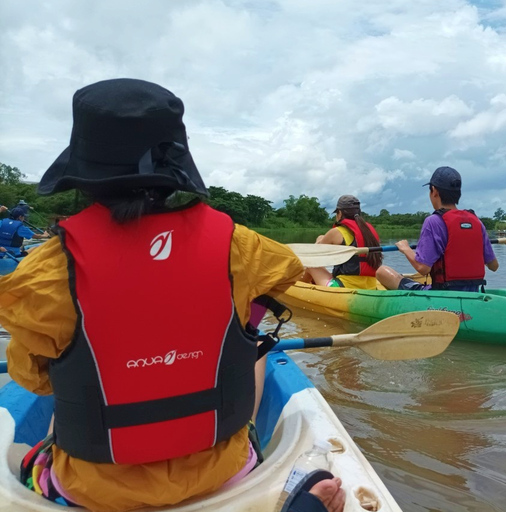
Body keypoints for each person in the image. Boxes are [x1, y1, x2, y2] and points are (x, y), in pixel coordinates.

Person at [0, 79, 344, 512]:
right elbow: (284, 273)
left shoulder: (45, 271)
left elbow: (36, 379)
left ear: (84, 172)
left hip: (95, 491)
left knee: (35, 432)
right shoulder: (240, 245)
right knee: (250, 339)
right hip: (224, 473)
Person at [376, 166, 498, 291]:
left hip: (442, 296)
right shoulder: (476, 221)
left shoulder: (433, 221)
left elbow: (423, 268)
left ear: (434, 191)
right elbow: (494, 266)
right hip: (473, 294)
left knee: (382, 272)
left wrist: (406, 249)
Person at [303, 195, 382, 290]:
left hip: (343, 287)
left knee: (311, 266)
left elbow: (317, 255)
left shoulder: (336, 232)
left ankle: (299, 288)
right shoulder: (370, 233)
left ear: (339, 213)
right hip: (371, 286)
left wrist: (318, 240)